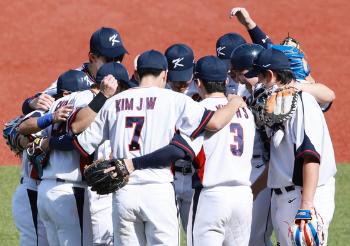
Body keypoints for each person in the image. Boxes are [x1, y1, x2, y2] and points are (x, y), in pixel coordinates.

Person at [73, 49, 246, 246]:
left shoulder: (113, 103)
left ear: (137, 75)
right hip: (158, 192)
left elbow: (82, 144)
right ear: (165, 74)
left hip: (123, 193)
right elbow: (214, 123)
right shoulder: (176, 100)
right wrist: (234, 104)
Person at [246, 48, 336, 246]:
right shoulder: (279, 106)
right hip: (284, 199)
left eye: (260, 77)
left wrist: (306, 207)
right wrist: (252, 192)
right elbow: (281, 163)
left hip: (302, 198)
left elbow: (310, 156)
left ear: (270, 76)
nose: (258, 84)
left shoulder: (303, 103)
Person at [184, 55, 256, 246]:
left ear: (197, 82)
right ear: (225, 81)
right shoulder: (246, 112)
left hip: (211, 196)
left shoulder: (196, 110)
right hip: (242, 197)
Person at [13, 70, 90, 246]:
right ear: (66, 94)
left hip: (44, 191)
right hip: (37, 190)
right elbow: (18, 130)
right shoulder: (47, 111)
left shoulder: (54, 111)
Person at [21, 27, 128, 115]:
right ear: (92, 58)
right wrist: (31, 103)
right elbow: (32, 104)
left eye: (119, 58)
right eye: (109, 60)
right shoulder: (74, 81)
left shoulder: (122, 75)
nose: (117, 64)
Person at [164, 43, 199, 235]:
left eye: (184, 79)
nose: (180, 85)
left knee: (195, 236)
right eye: (175, 80)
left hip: (194, 176)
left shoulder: (203, 89)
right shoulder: (159, 93)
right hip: (167, 176)